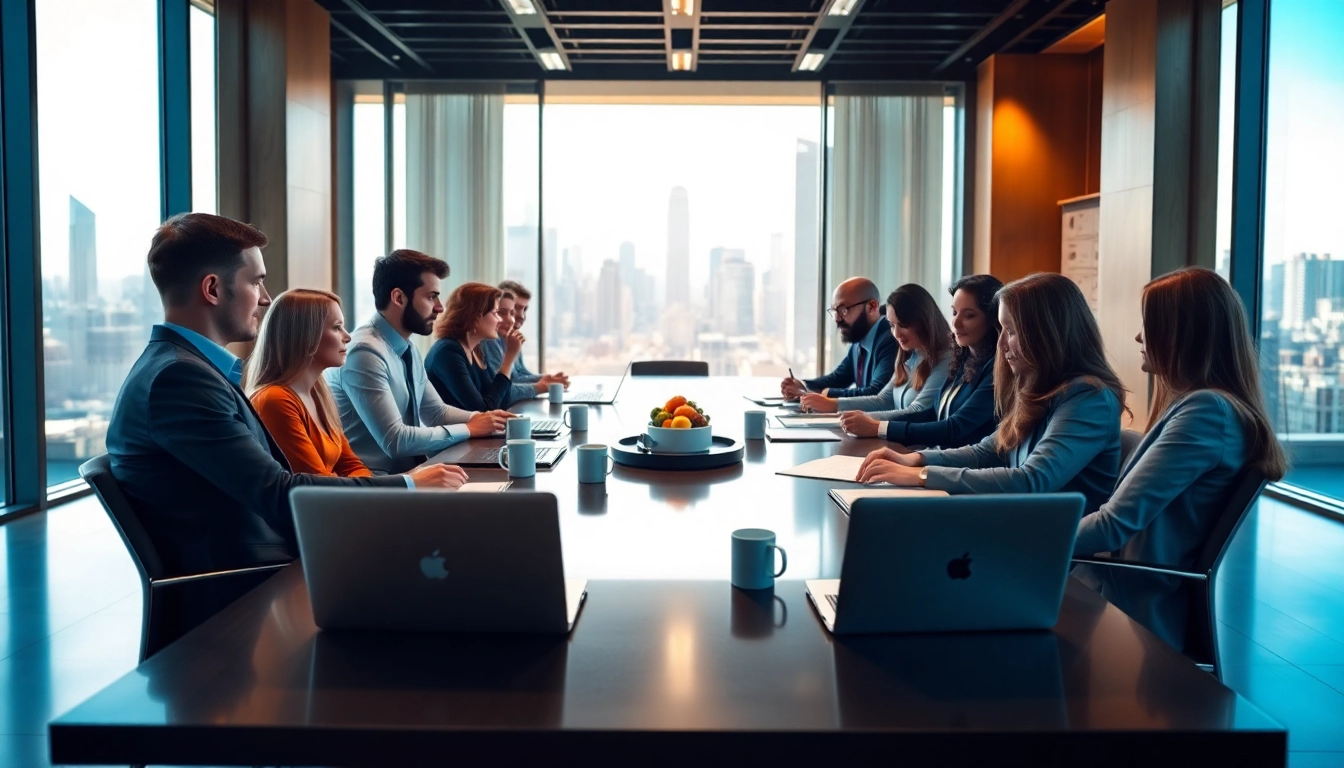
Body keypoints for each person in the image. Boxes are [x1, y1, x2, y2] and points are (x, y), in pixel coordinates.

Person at [105, 214, 430, 588]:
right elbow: (276, 492)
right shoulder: (178, 379)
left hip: (273, 559)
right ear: (212, 289)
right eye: (256, 281)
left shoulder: (187, 370)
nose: (265, 298)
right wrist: (409, 485)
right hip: (252, 584)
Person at [1073, 268, 1288, 648]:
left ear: (1183, 334)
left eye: (1150, 325)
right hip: (1118, 582)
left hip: (1128, 604)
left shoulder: (1207, 413)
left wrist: (1025, 538)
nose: (1139, 336)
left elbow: (1111, 527)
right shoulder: (1204, 407)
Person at [856, 273, 1126, 514]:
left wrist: (922, 475)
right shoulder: (1036, 386)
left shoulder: (1089, 398)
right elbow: (989, 451)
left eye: (1010, 331)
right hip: (1013, 524)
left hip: (1049, 551)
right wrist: (916, 459)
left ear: (1048, 334)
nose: (1001, 344)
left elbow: (1031, 480)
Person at [245, 288, 467, 486]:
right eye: (337, 327)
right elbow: (316, 485)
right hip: (313, 523)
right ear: (305, 337)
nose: (347, 336)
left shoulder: (318, 393)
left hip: (340, 508)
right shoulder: (275, 399)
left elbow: (351, 465)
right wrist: (408, 483)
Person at [327, 250, 511, 474]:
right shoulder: (365, 352)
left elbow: (436, 412)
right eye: (431, 297)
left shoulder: (407, 347)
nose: (440, 307)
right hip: (376, 485)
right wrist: (469, 428)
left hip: (411, 475)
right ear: (399, 298)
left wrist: (486, 419)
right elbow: (395, 440)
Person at [871, 274, 1003, 449]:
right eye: (954, 312)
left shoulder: (996, 369)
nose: (955, 323)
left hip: (967, 470)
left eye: (969, 315)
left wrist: (880, 427)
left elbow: (955, 427)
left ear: (992, 319)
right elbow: (931, 413)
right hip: (942, 462)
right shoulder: (963, 359)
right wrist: (873, 424)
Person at [798, 283, 953, 425]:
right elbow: (884, 400)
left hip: (918, 449)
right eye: (892, 325)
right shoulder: (907, 354)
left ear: (924, 321)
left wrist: (865, 420)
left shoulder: (945, 357)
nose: (896, 334)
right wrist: (834, 405)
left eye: (903, 325)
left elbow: (920, 411)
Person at [781, 277, 897, 401]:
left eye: (843, 310)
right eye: (835, 311)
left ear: (871, 307)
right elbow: (838, 378)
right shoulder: (860, 339)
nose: (837, 319)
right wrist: (802, 385)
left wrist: (818, 394)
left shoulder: (891, 338)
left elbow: (875, 394)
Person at [425, 283, 524, 411]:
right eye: (495, 313)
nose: (499, 320)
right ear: (475, 317)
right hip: (456, 431)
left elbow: (500, 401)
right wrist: (509, 359)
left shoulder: (476, 350)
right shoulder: (448, 352)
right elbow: (482, 410)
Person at [480, 290, 551, 406]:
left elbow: (518, 375)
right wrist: (540, 386)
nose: (520, 316)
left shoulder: (507, 339)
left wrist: (545, 379)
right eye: (499, 312)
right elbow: (501, 391)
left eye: (512, 313)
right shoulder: (487, 343)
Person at [497, 279, 569, 390]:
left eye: (524, 309)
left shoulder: (512, 337)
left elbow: (520, 374)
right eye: (516, 308)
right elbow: (505, 385)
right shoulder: (492, 339)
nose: (522, 316)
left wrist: (548, 379)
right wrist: (540, 386)